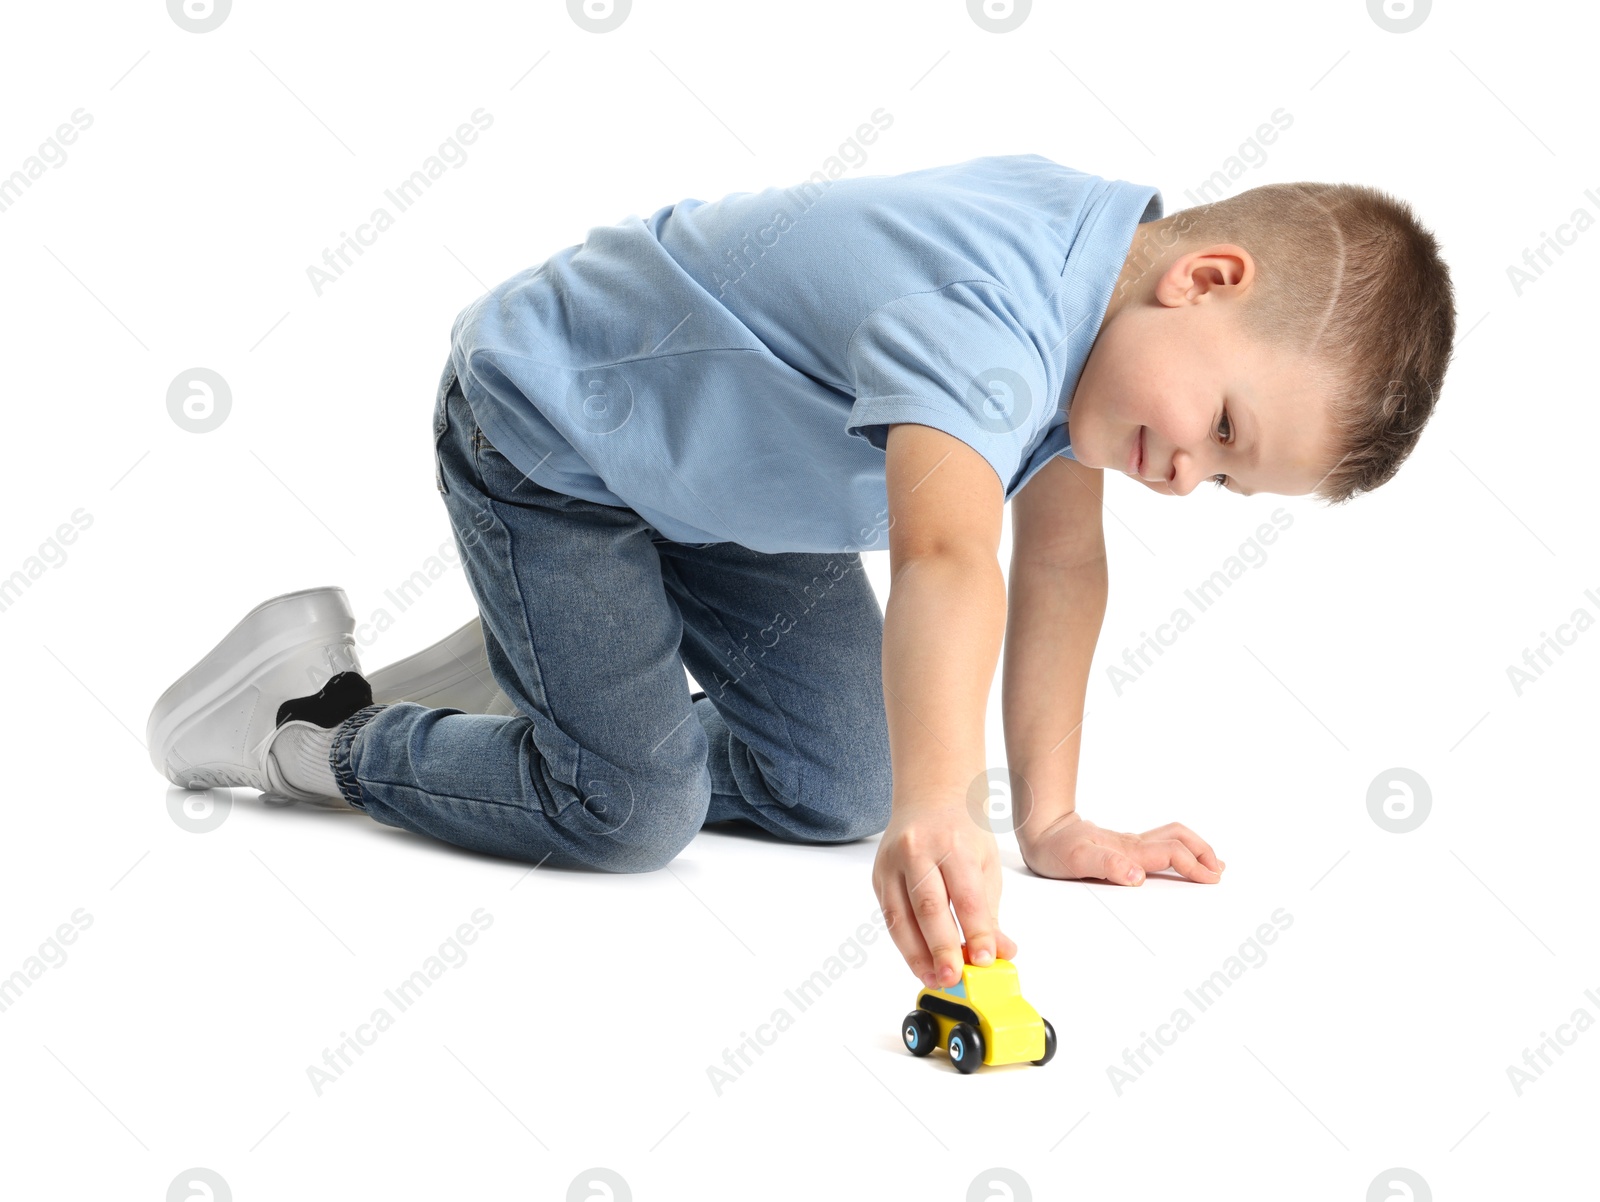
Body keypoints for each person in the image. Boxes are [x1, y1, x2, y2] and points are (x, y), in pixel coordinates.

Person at [146, 154, 1456, 992]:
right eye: (1224, 431)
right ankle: (308, 726)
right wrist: (944, 809)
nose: (1188, 477)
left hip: (723, 497)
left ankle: (547, 677)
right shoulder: (991, 311)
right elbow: (952, 551)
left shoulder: (1105, 322)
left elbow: (1060, 557)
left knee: (840, 782)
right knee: (628, 811)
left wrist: (1047, 818)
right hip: (552, 433)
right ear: (1207, 279)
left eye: (1227, 482)